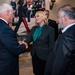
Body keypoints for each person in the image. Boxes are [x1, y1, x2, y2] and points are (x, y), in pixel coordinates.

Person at [44, 4, 75, 75]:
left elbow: (60, 66)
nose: (57, 20)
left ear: (65, 18)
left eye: (58, 17)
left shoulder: (67, 37)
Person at [0, 3, 28, 75]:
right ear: (7, 13)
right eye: (13, 13)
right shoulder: (6, 29)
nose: (13, 16)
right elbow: (16, 50)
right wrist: (24, 45)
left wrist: (15, 42)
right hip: (6, 67)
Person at [24, 11, 55, 75]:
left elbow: (52, 45)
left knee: (44, 72)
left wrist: (48, 55)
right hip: (34, 54)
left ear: (43, 17)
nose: (36, 18)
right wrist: (24, 42)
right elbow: (29, 38)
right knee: (36, 72)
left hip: (45, 56)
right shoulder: (34, 28)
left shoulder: (50, 30)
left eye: (38, 16)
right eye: (35, 17)